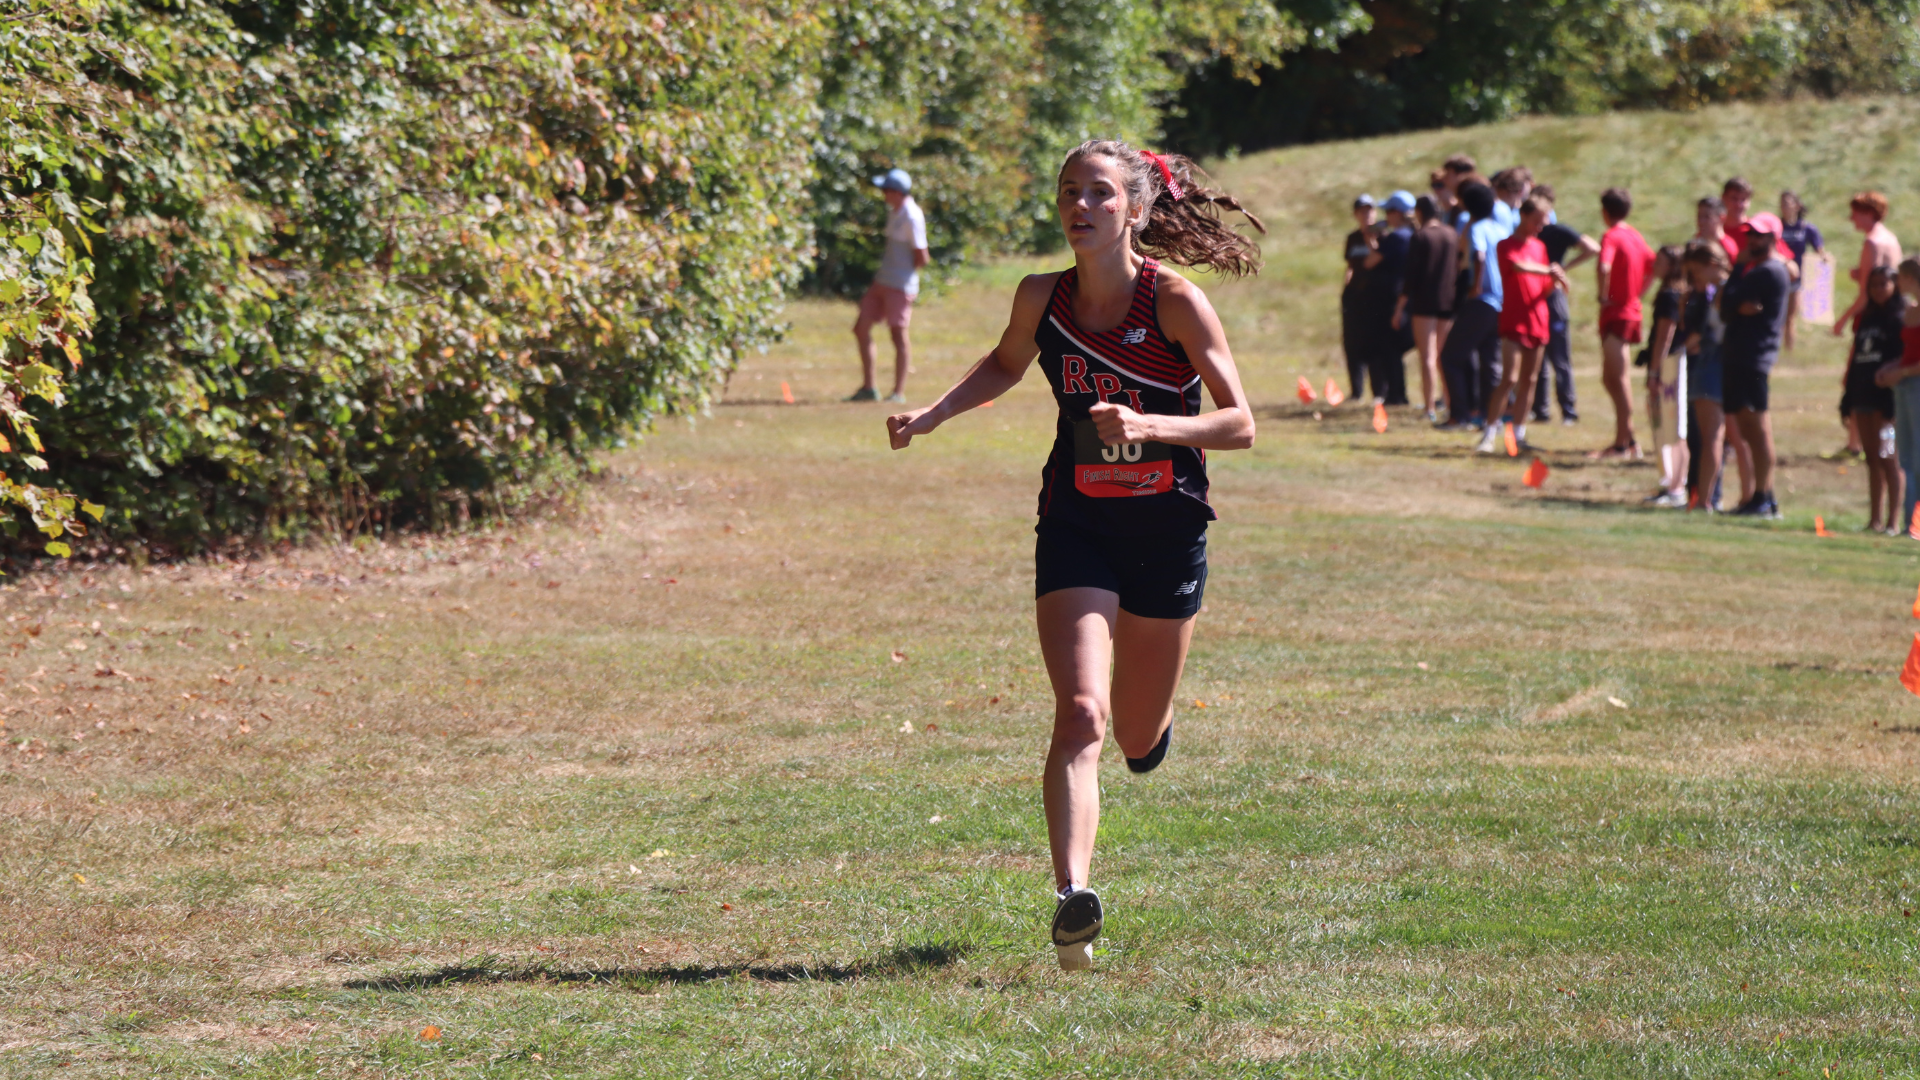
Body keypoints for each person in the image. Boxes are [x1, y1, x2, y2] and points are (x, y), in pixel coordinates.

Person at [885, 141, 1263, 970]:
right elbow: (1005, 364)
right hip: (1077, 524)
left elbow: (1240, 424)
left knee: (1132, 733)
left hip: (1167, 530)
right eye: (1067, 193)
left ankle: (1150, 736)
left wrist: (1154, 426)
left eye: (1098, 193)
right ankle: (1072, 899)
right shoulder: (1040, 297)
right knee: (1082, 713)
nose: (1079, 206)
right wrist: (933, 416)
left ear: (1135, 209)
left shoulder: (1176, 302)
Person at [1475, 195, 1566, 453]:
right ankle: (1489, 433)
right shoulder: (1506, 245)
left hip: (1538, 318)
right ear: (1524, 216)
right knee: (1510, 377)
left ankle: (1519, 433)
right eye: (1536, 221)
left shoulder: (1539, 247)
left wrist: (1555, 280)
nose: (1539, 227)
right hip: (1514, 319)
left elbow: (1545, 286)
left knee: (1531, 379)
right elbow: (1517, 266)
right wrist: (1548, 270)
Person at [1719, 212, 1793, 519]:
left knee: (1758, 428)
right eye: (1750, 234)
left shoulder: (1769, 271)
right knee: (1747, 427)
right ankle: (1759, 496)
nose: (1752, 240)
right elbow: (1727, 306)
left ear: (1773, 238)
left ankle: (1765, 496)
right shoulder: (1756, 270)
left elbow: (1727, 300)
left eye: (1759, 235)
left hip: (1754, 357)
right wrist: (1735, 302)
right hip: (1740, 355)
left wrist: (1736, 271)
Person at [849, 168, 930, 403]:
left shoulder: (912, 216)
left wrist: (904, 277)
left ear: (895, 192)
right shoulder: (895, 212)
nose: (882, 194)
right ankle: (869, 388)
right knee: (860, 328)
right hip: (883, 281)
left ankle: (897, 393)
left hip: (900, 285)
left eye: (885, 190)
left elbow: (922, 256)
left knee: (898, 336)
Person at [1682, 242, 1750, 511]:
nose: (1695, 278)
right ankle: (1738, 496)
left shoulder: (1727, 290)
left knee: (1712, 435)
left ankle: (1706, 499)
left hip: (1715, 365)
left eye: (1697, 271)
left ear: (1712, 264)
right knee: (1725, 435)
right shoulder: (1721, 290)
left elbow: (1720, 331)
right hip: (1718, 363)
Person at [1437, 180, 1508, 428]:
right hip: (1500, 303)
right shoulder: (1500, 229)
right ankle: (1490, 417)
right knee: (1490, 362)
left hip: (1481, 300)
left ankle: (1460, 415)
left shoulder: (1476, 228)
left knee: (1450, 357)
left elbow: (1477, 254)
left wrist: (1475, 286)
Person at [1592, 187, 1655, 459]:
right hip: (1628, 311)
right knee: (1610, 377)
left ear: (1605, 212)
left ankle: (1624, 443)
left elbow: (1603, 266)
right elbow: (1654, 267)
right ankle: (1626, 437)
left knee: (1618, 379)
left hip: (1618, 313)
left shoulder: (1612, 236)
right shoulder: (1636, 236)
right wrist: (1639, 292)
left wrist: (1603, 295)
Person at [1842, 265, 1905, 531]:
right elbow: (1857, 358)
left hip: (1887, 401)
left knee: (1888, 458)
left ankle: (1893, 521)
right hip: (1862, 396)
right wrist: (1847, 397)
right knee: (1871, 459)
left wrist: (1892, 400)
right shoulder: (1865, 318)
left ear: (1895, 285)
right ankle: (1874, 520)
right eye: (1874, 284)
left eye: (1884, 284)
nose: (1879, 289)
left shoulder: (1900, 317)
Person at [1531, 184, 1597, 424]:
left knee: (1558, 356)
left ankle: (1567, 410)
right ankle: (1542, 410)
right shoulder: (1531, 233)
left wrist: (1564, 269)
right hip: (1535, 296)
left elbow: (1592, 248)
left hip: (1551, 295)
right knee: (1538, 356)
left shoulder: (1556, 231)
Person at [1398, 195, 1458, 421]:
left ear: (1420, 213)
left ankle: (1430, 407)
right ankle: (1451, 403)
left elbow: (1411, 276)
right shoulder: (1451, 234)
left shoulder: (1421, 237)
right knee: (1444, 356)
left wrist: (1399, 307)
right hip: (1448, 302)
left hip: (1424, 303)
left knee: (1428, 357)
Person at [1874, 257, 1920, 535]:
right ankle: (1909, 523)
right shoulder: (1911, 310)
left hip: (1915, 385)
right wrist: (1891, 368)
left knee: (1918, 457)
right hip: (1905, 387)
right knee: (1906, 457)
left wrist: (1901, 373)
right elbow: (1910, 352)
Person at [1642, 246, 1689, 506]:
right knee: (1667, 425)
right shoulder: (1676, 292)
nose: (1653, 265)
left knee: (1670, 425)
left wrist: (1654, 371)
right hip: (1673, 362)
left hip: (1670, 364)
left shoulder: (1670, 295)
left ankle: (1675, 486)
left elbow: (1664, 335)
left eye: (1659, 262)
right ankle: (1671, 482)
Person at [1835, 191, 1902, 338]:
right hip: (1896, 310)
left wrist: (1842, 321)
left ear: (1869, 213)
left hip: (1878, 314)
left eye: (1855, 213)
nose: (1851, 218)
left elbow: (1868, 292)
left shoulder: (1872, 243)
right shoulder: (1891, 238)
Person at [1341, 194, 1385, 401]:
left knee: (1376, 344)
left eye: (1370, 210)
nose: (1366, 214)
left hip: (1376, 298)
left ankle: (1379, 392)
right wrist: (1346, 287)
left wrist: (1372, 239)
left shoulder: (1383, 236)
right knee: (1352, 344)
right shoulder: (1352, 238)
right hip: (1355, 297)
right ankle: (1356, 392)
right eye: (1362, 211)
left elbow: (1378, 262)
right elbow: (1350, 265)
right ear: (1356, 214)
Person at [1779, 190, 1824, 350]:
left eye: (1788, 202)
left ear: (1797, 206)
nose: (1784, 206)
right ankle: (1774, 351)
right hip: (1778, 277)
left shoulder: (1806, 228)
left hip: (1797, 279)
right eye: (1782, 203)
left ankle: (1789, 351)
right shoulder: (1777, 226)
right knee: (1777, 316)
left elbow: (1820, 251)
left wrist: (1823, 260)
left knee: (1790, 317)